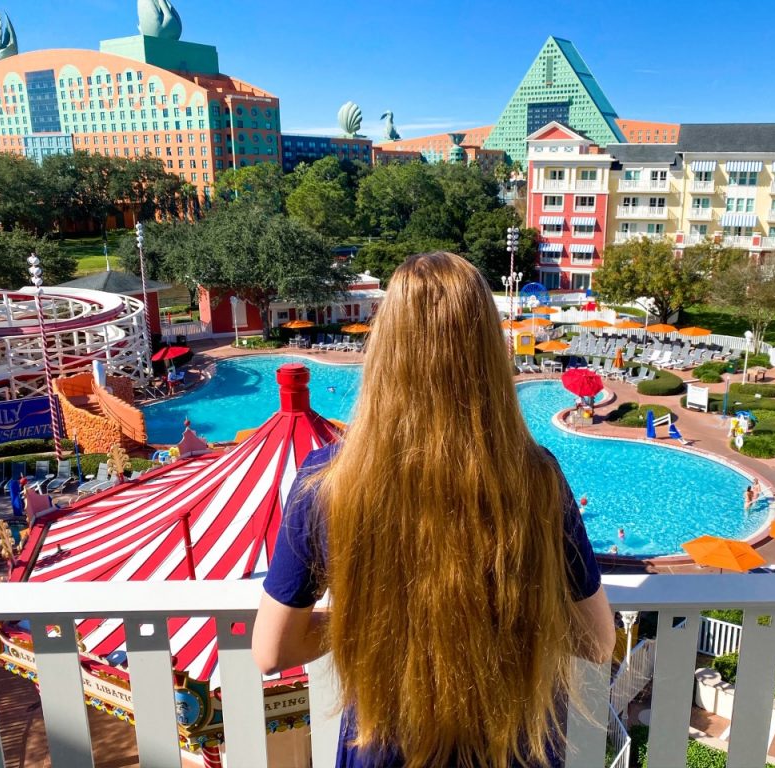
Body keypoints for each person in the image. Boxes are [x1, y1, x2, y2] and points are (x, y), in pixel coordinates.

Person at [253, 253, 615, 768]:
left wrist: (371, 618)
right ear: (489, 350)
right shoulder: (534, 477)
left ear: (384, 351)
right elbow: (597, 641)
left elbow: (273, 651)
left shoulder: (329, 482)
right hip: (511, 750)